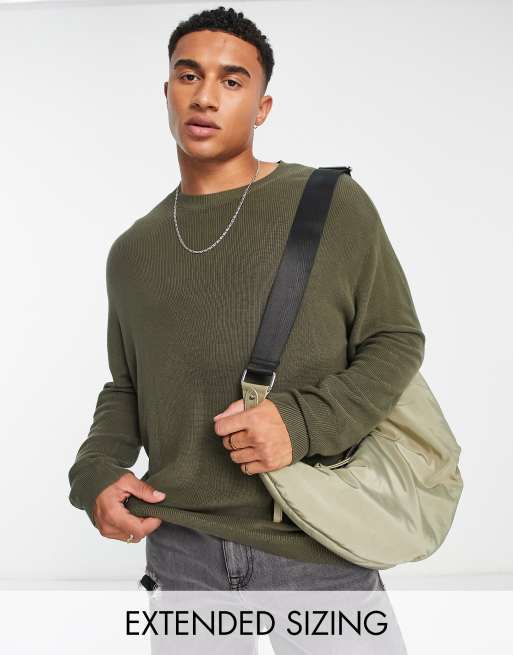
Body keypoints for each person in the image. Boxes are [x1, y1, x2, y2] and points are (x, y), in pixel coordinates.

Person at [68, 6, 423, 635]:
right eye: (189, 75)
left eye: (232, 81)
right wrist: (94, 471)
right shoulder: (132, 251)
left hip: (315, 543)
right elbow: (128, 388)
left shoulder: (331, 204)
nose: (206, 96)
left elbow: (394, 340)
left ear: (261, 107)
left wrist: (299, 424)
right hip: (182, 551)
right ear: (167, 92)